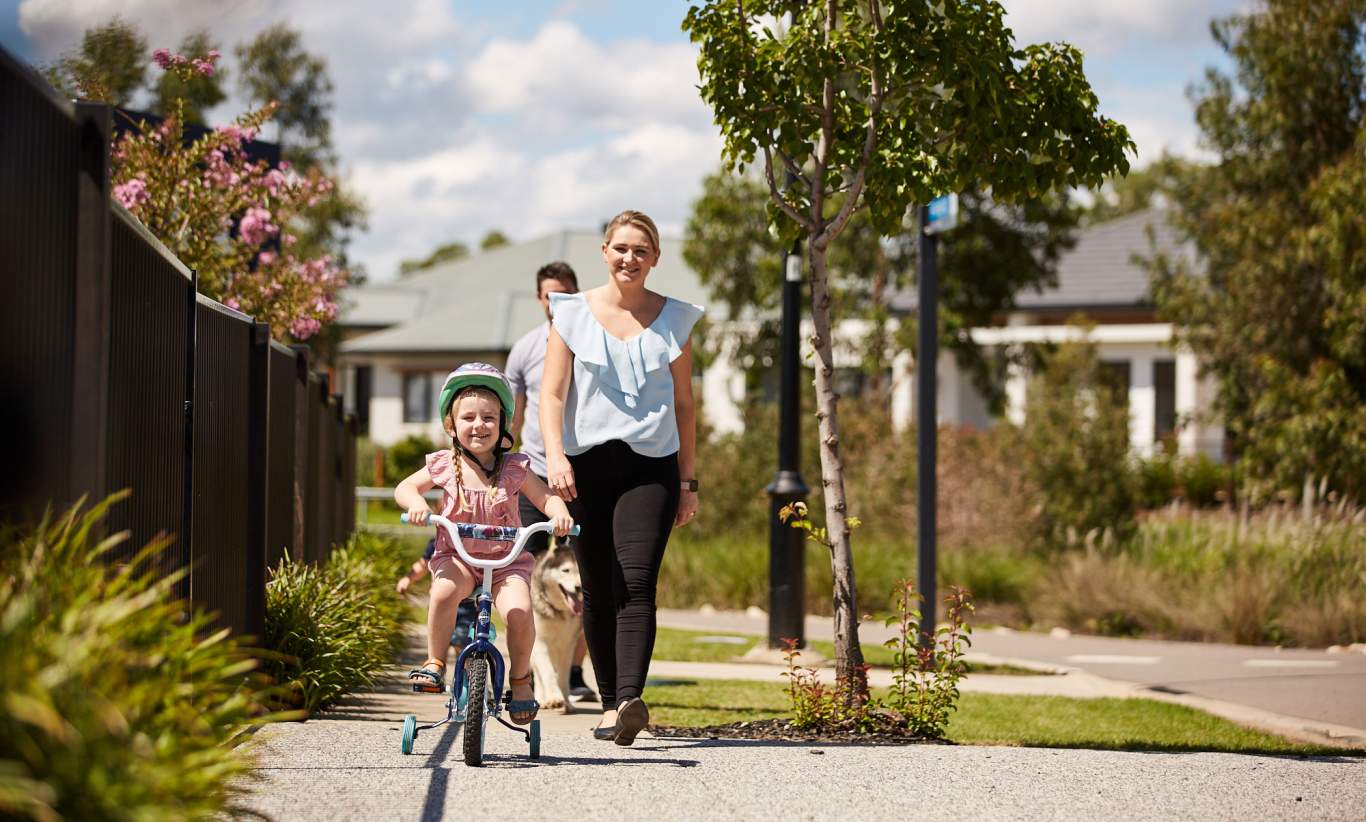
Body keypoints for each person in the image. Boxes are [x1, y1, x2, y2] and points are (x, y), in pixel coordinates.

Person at [540, 210, 704, 746]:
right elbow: (552, 394)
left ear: (655, 258)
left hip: (649, 470)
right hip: (584, 469)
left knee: (636, 584)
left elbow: (684, 405)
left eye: (641, 250)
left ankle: (628, 701)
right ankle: (609, 700)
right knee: (599, 588)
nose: (629, 258)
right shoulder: (570, 314)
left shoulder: (675, 320)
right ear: (605, 252)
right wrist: (557, 459)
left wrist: (687, 482)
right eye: (620, 248)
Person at [395, 362, 574, 725]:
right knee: (444, 591)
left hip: (506, 562)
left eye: (489, 418)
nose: (479, 425)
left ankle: (521, 681)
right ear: (452, 425)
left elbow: (546, 498)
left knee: (520, 612)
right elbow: (406, 487)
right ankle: (434, 661)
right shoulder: (444, 464)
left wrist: (558, 514)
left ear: (503, 424)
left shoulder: (516, 467)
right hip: (457, 558)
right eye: (469, 418)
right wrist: (416, 504)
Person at [505, 261, 596, 702]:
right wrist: (504, 466)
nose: (554, 302)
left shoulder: (594, 337)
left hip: (582, 476)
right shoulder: (524, 349)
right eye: (547, 296)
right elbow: (515, 412)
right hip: (535, 474)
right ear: (539, 299)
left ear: (575, 294)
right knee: (524, 573)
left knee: (583, 577)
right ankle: (526, 669)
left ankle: (573, 672)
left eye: (562, 294)